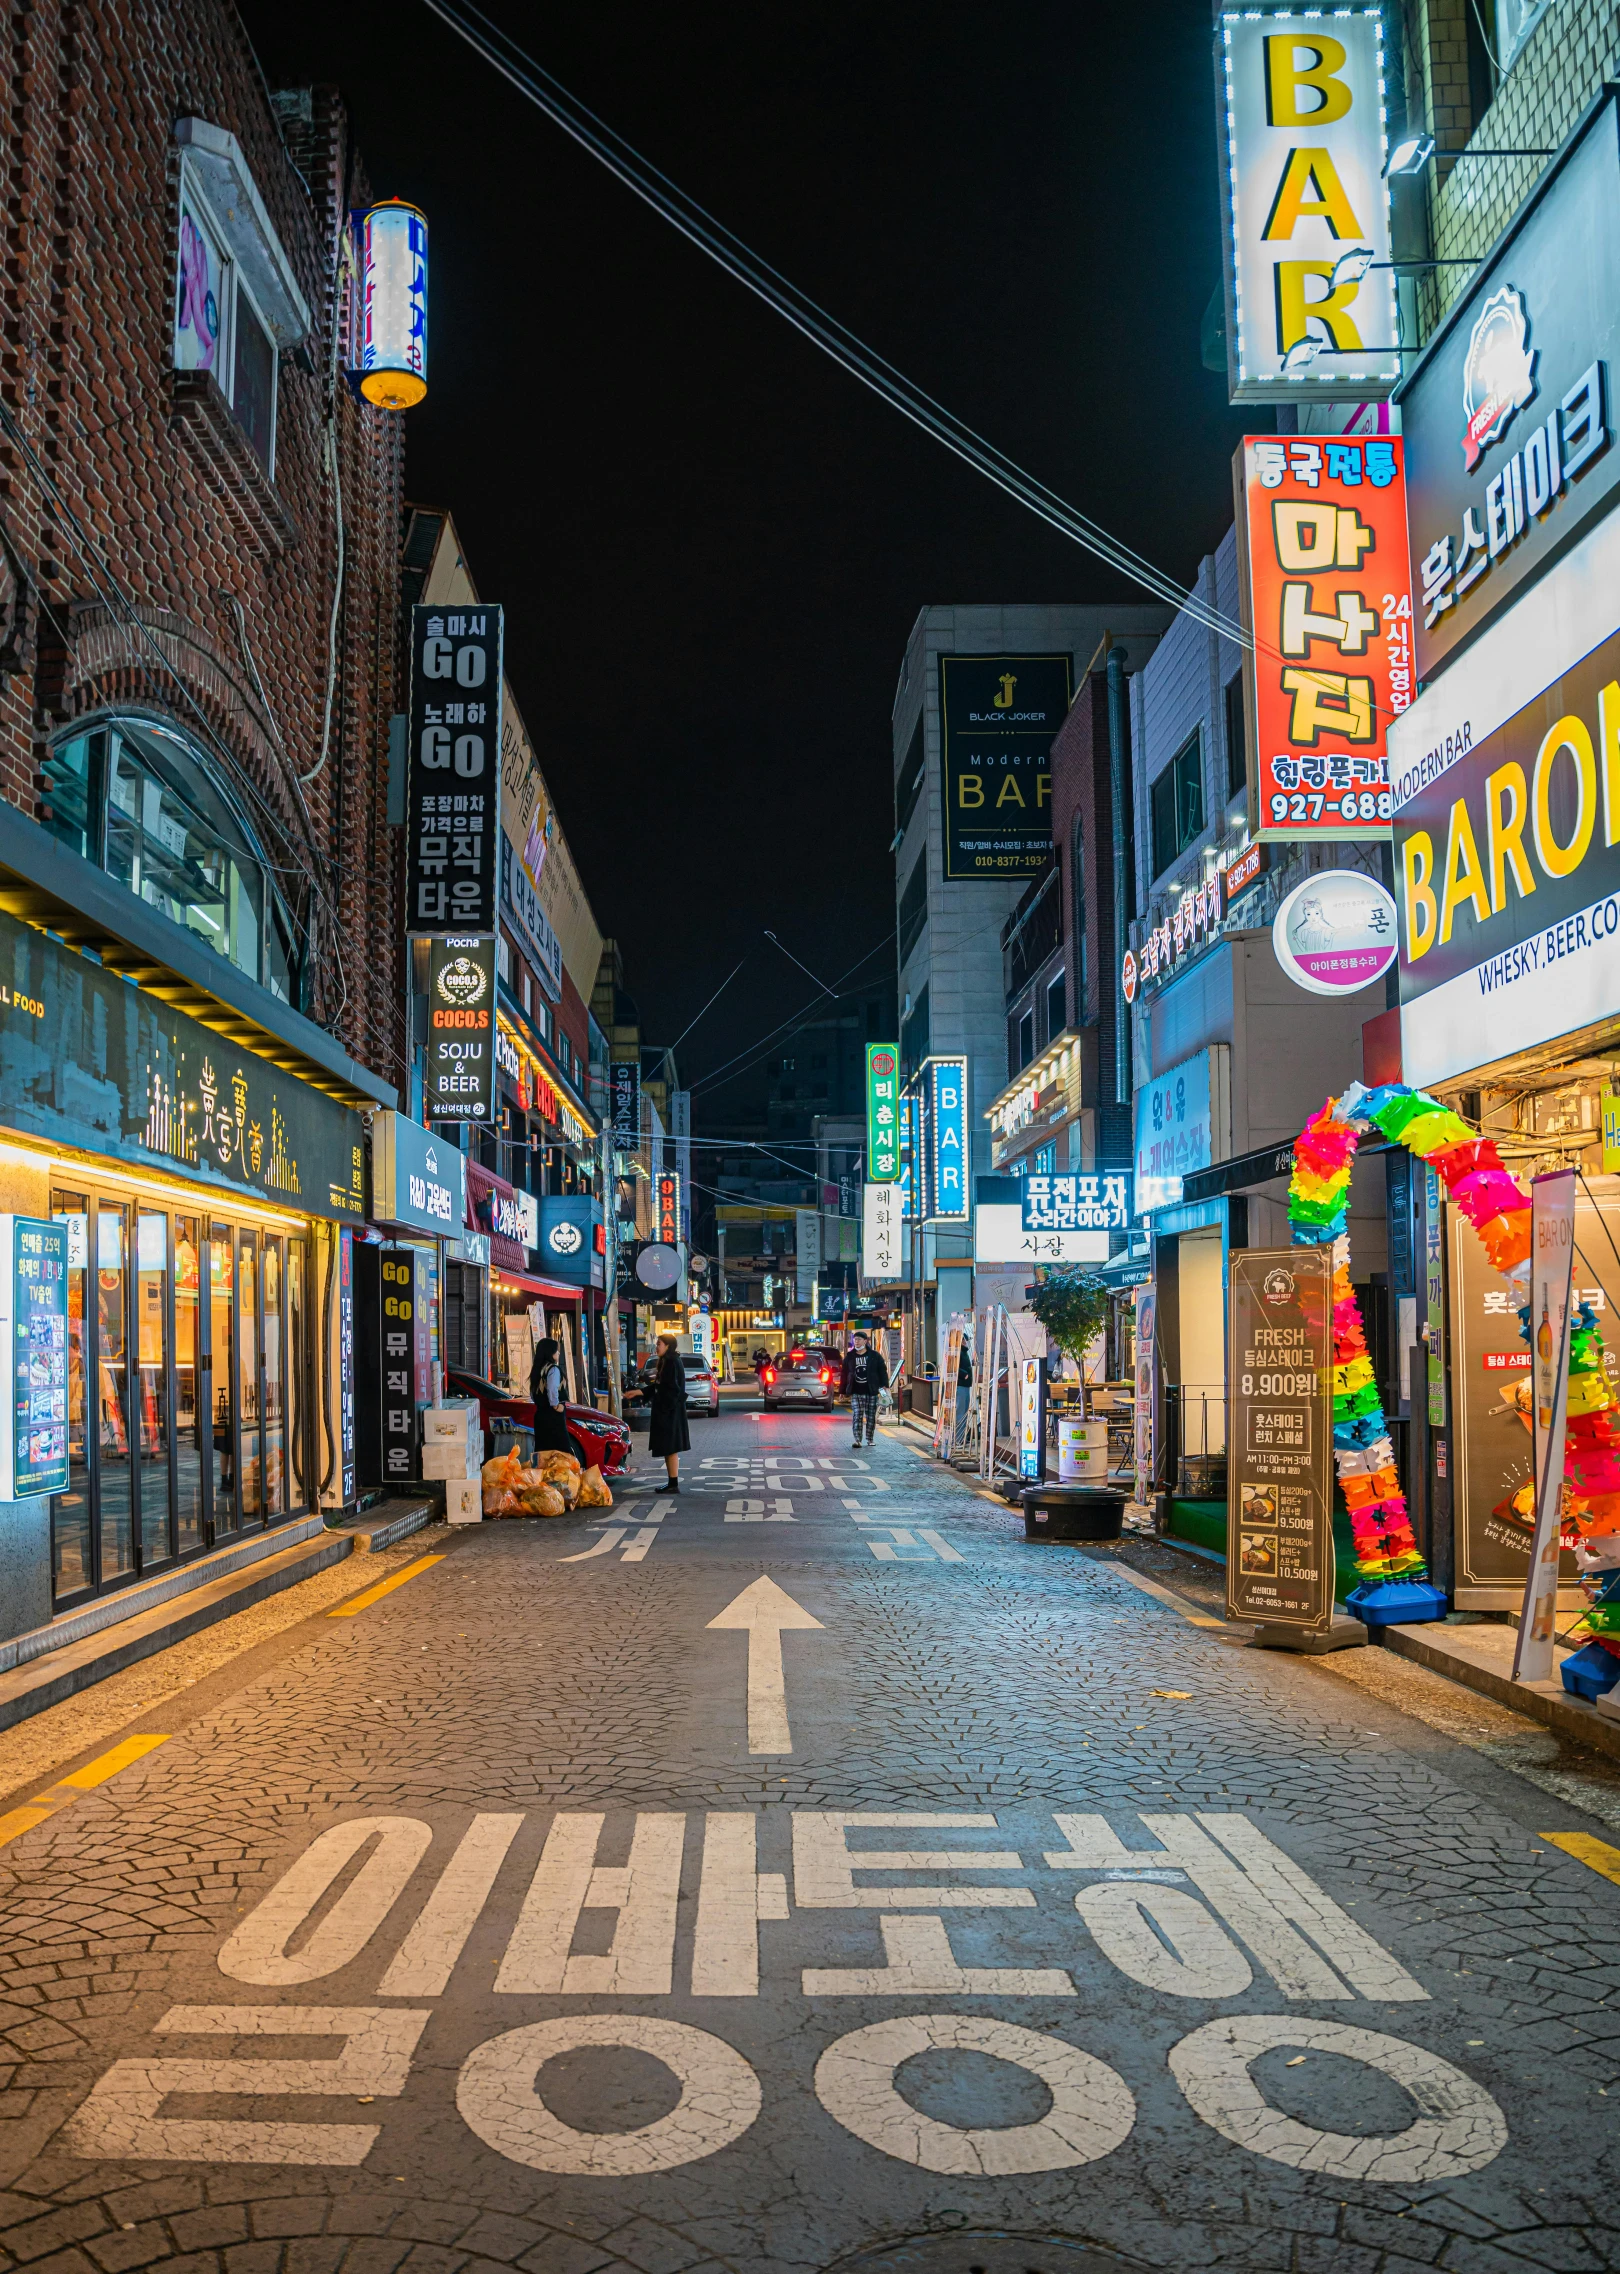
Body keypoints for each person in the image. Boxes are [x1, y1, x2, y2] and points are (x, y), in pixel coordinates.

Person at [648, 1333, 690, 1492]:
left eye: (659, 1343)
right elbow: (661, 1387)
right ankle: (672, 1483)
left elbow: (672, 1389)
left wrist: (665, 1409)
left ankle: (673, 1484)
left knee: (671, 1447)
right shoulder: (667, 1361)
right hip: (669, 1411)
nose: (656, 1346)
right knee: (668, 1448)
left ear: (668, 1346)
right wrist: (639, 1393)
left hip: (670, 1412)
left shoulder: (671, 1362)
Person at [840, 1331, 890, 1448]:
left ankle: (870, 1438)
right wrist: (842, 1391)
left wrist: (884, 1385)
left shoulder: (874, 1356)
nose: (856, 1342)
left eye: (858, 1339)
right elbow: (844, 1374)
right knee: (857, 1415)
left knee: (870, 1416)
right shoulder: (850, 1356)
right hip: (856, 1391)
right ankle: (857, 1440)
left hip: (871, 1390)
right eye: (855, 1340)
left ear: (865, 1341)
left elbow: (882, 1371)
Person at [528, 1336, 574, 1457]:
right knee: (561, 1450)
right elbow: (552, 1389)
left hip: (540, 1414)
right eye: (556, 1350)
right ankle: (561, 1475)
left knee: (543, 1451)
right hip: (554, 1416)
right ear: (550, 1353)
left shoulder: (537, 1370)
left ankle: (543, 1474)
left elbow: (533, 1393)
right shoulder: (553, 1369)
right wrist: (556, 1405)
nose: (558, 1353)